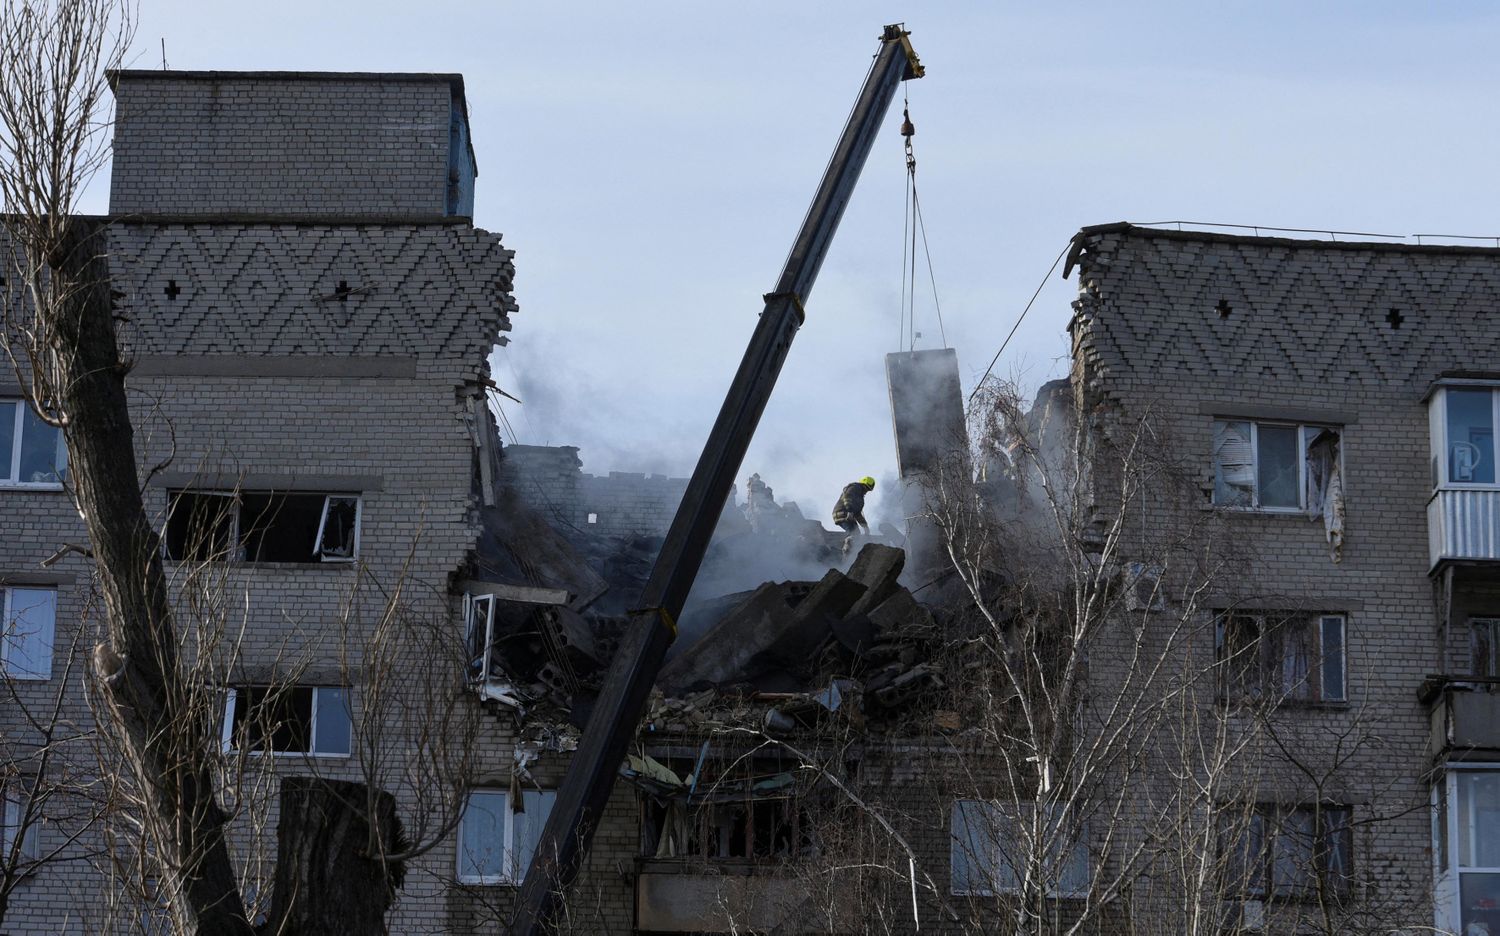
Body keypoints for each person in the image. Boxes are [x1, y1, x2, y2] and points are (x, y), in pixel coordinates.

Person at [831, 476, 876, 552]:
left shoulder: (860, 498)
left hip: (847, 514)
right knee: (853, 533)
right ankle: (846, 550)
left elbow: (858, 514)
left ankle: (845, 548)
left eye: (868, 490)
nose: (866, 491)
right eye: (866, 488)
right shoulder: (855, 487)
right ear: (863, 484)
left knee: (856, 534)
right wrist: (850, 511)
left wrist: (865, 526)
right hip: (843, 513)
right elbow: (847, 497)